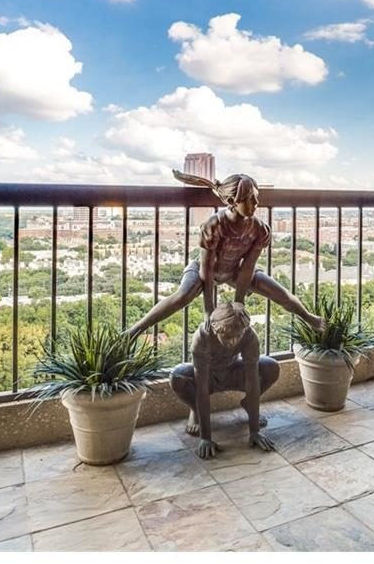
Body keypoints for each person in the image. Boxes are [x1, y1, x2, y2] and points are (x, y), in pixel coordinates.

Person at [124, 170, 324, 340]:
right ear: (232, 202)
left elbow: (248, 268)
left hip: (234, 272)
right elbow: (207, 269)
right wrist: (209, 313)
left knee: (278, 292)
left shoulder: (260, 229)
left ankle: (310, 319)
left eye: (257, 197)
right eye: (250, 199)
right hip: (203, 271)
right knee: (182, 297)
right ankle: (134, 331)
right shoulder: (214, 225)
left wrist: (239, 305)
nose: (256, 203)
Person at [170, 301, 278, 457]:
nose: (233, 341)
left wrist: (255, 431)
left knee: (271, 366)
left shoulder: (248, 335)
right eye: (227, 337)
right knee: (177, 376)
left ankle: (248, 404)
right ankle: (196, 411)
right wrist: (205, 438)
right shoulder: (202, 337)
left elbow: (252, 380)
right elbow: (201, 388)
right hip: (208, 376)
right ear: (215, 330)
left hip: (232, 372)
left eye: (237, 336)